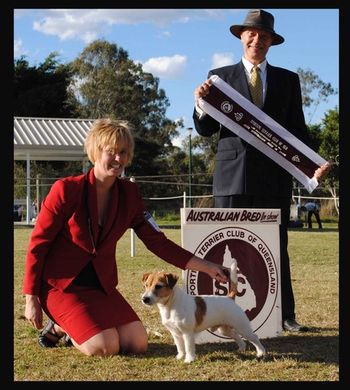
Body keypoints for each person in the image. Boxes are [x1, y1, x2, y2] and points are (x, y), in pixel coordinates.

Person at [23, 118, 230, 357]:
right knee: (105, 346)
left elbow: (158, 242)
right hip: (61, 286)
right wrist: (32, 299)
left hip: (101, 286)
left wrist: (207, 267)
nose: (118, 159)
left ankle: (66, 326)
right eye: (111, 152)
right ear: (95, 152)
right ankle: (63, 325)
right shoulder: (66, 190)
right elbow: (38, 245)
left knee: (137, 343)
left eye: (123, 152)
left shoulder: (130, 195)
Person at [193, 9, 330, 332]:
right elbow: (205, 131)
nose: (257, 40)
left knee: (276, 247)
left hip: (274, 179)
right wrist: (200, 104)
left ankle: (285, 315)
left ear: (272, 42)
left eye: (264, 36)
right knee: (226, 247)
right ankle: (219, 315)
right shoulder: (219, 77)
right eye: (251, 34)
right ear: (242, 37)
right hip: (231, 178)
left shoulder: (288, 80)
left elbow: (297, 129)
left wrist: (314, 164)